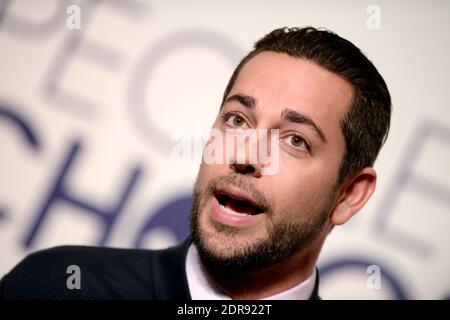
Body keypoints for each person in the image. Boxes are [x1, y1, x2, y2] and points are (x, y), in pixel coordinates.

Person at [0, 26, 391, 300]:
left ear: (349, 195)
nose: (243, 156)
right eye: (237, 120)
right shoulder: (57, 286)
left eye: (295, 140)